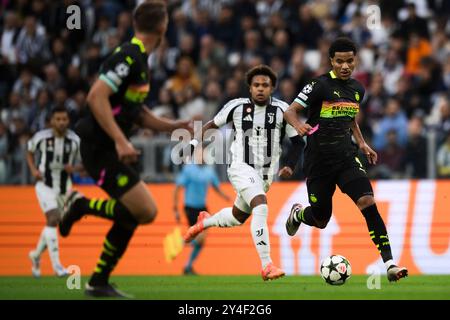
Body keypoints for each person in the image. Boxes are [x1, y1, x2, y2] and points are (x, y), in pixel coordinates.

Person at [59, 1, 192, 298]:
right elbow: (96, 97)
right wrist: (121, 140)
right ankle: (81, 206)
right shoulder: (129, 56)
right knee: (146, 210)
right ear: (163, 27)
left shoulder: (140, 60)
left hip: (109, 146)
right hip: (101, 146)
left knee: (133, 214)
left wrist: (174, 125)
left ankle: (98, 282)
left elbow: (138, 113)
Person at [283, 37, 408, 282]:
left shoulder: (358, 89)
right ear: (331, 61)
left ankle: (390, 264)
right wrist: (298, 125)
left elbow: (349, 117)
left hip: (346, 157)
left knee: (367, 201)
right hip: (318, 162)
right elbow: (290, 111)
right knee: (320, 219)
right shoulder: (318, 85)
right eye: (339, 61)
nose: (345, 66)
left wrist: (361, 142)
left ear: (355, 61)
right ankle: (298, 214)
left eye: (350, 61)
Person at [183, 64, 303, 281]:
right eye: (256, 85)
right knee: (261, 204)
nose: (260, 89)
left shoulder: (283, 110)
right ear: (249, 88)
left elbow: (297, 143)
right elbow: (212, 124)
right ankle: (267, 265)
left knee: (239, 217)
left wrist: (290, 166)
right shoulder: (236, 107)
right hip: (240, 166)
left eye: (265, 85)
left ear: (272, 88)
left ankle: (205, 222)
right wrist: (193, 143)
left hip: (265, 175)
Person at [26, 106, 81, 278]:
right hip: (45, 185)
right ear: (52, 121)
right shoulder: (41, 137)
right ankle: (57, 267)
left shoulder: (75, 141)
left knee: (53, 222)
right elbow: (29, 151)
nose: (61, 122)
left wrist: (75, 168)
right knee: (53, 218)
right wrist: (34, 170)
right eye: (58, 119)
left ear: (68, 121)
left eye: (64, 119)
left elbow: (84, 162)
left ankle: (35, 256)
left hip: (65, 187)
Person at [173, 146, 230, 275]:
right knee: (200, 239)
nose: (202, 156)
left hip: (203, 208)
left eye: (203, 154)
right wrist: (175, 209)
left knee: (200, 241)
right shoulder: (188, 169)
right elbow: (177, 188)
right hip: (190, 208)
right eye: (199, 154)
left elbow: (215, 186)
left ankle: (188, 266)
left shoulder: (209, 171)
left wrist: (225, 196)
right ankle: (181, 243)